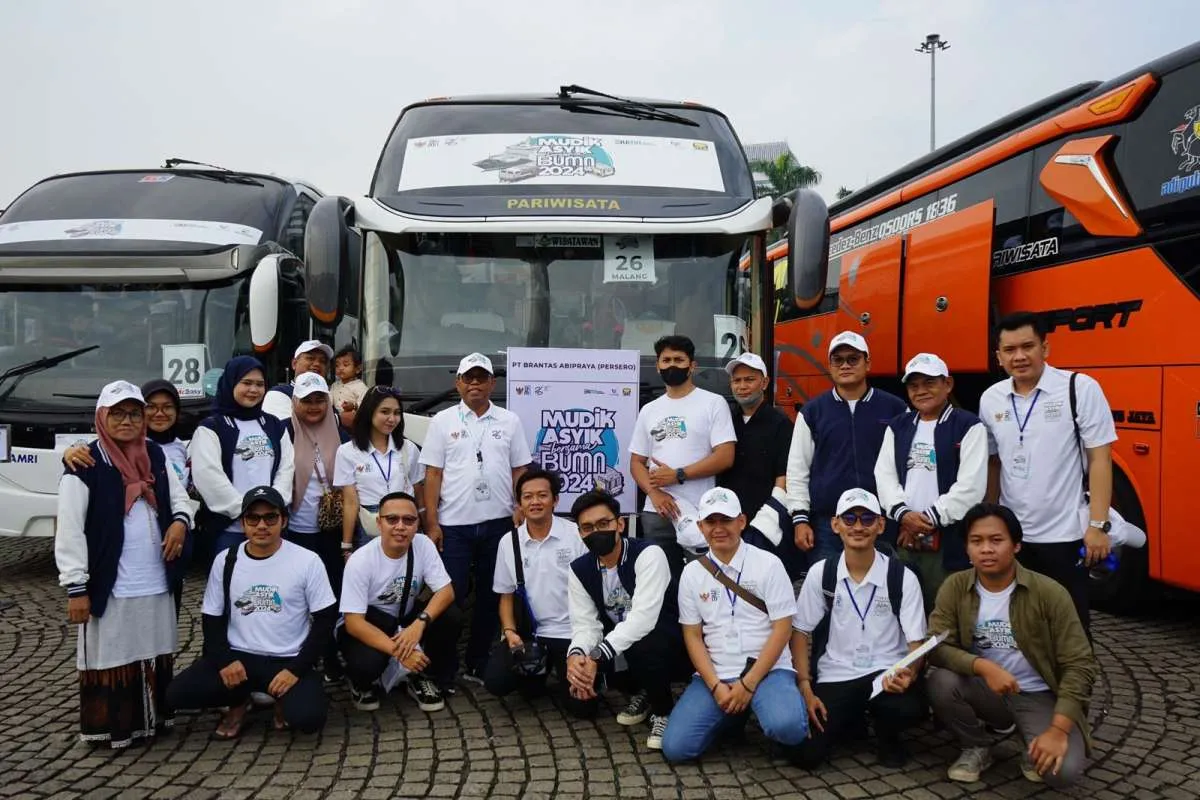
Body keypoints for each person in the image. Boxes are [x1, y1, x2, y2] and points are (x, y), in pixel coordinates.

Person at [55, 380, 193, 748]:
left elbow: (180, 499)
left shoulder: (153, 455)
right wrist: (76, 587)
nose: (127, 421)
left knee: (152, 645)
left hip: (155, 576)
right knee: (115, 650)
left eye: (134, 413)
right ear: (102, 417)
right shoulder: (86, 463)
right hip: (112, 581)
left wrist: (180, 523)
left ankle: (152, 721)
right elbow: (69, 529)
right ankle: (115, 728)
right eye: (117, 413)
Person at [926, 503, 1096, 788]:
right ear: (967, 548)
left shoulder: (1049, 593)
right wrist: (983, 667)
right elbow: (936, 646)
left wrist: (1058, 729)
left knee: (1061, 773)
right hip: (986, 688)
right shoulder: (955, 586)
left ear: (1016, 545)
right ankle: (976, 745)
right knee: (940, 682)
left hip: (1039, 694)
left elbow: (1080, 664)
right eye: (976, 541)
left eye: (996, 540)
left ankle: (1032, 739)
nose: (986, 549)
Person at [979, 311, 1117, 635]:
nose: (1019, 356)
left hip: (1064, 536)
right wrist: (990, 520)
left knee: (1070, 628)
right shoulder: (990, 399)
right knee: (1020, 625)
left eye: (1028, 346)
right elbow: (993, 463)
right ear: (999, 357)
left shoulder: (1079, 388)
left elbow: (1100, 459)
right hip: (1013, 537)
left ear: (1045, 348)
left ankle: (1073, 672)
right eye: (1010, 350)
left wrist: (1098, 526)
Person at [166, 486, 338, 738]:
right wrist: (225, 661)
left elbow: (325, 620)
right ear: (243, 523)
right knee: (176, 695)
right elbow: (211, 618)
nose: (262, 525)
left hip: (287, 658)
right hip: (239, 658)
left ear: (284, 521)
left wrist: (295, 670)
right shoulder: (226, 559)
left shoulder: (307, 561)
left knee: (308, 718)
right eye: (253, 518)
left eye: (270, 517)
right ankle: (239, 701)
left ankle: (280, 698)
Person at [661, 487, 808, 763]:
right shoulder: (692, 573)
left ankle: (763, 707)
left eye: (726, 520)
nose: (718, 528)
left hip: (768, 671)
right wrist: (715, 685)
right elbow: (692, 635)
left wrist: (748, 684)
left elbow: (783, 628)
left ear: (741, 521)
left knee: (788, 727)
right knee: (676, 748)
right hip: (718, 672)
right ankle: (732, 716)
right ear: (700, 527)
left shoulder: (769, 564)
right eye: (711, 521)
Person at [790, 488, 928, 768]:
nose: (858, 526)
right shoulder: (821, 573)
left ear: (881, 525)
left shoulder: (902, 576)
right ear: (835, 524)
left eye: (867, 519)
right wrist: (805, 686)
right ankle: (851, 722)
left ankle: (888, 735)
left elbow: (917, 642)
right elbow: (800, 631)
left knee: (907, 708)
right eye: (849, 518)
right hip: (837, 673)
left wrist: (909, 674)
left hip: (886, 672)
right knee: (806, 755)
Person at [420, 353, 532, 684]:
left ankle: (477, 661)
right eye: (468, 378)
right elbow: (432, 475)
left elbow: (520, 469)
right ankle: (443, 666)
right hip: (453, 526)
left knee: (491, 595)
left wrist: (520, 506)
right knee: (449, 597)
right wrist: (432, 523)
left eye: (481, 378)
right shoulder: (442, 421)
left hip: (499, 523)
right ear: (458, 383)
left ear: (492, 384)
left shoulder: (509, 420)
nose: (474, 384)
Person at [565, 490, 687, 750]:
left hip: (670, 640)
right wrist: (577, 656)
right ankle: (645, 691)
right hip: (621, 644)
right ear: (580, 533)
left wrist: (597, 655)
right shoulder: (579, 569)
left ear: (620, 524)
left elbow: (644, 618)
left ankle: (663, 710)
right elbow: (585, 624)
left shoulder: (649, 554)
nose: (596, 532)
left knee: (644, 641)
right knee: (581, 700)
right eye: (588, 527)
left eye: (603, 524)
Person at [874, 353, 988, 608]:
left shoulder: (968, 426)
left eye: (929, 383)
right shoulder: (898, 426)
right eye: (914, 386)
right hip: (904, 538)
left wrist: (926, 521)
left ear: (948, 384)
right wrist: (903, 515)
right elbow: (884, 476)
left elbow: (971, 487)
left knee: (947, 610)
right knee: (903, 608)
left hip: (950, 541)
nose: (921, 391)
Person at [786, 331, 906, 565]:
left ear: (867, 363)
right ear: (829, 366)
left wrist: (904, 515)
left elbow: (908, 467)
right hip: (829, 524)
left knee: (883, 585)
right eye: (838, 360)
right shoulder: (812, 412)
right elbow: (798, 470)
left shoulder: (896, 409)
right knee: (829, 585)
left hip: (881, 522)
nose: (845, 365)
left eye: (853, 359)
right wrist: (800, 519)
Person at [338, 492, 460, 712]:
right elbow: (354, 623)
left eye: (409, 520)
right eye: (392, 519)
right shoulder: (360, 560)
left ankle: (423, 675)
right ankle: (361, 682)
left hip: (406, 618)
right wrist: (401, 652)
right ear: (379, 523)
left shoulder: (423, 544)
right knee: (367, 663)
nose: (400, 527)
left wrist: (419, 624)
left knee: (450, 616)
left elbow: (446, 591)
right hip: (371, 623)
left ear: (417, 524)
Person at [630, 335, 736, 577]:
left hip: (702, 511)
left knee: (705, 581)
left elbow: (725, 456)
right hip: (657, 513)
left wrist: (679, 475)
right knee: (661, 583)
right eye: (666, 360)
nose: (672, 365)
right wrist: (654, 493)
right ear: (658, 366)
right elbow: (636, 463)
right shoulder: (649, 410)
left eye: (679, 360)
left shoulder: (713, 403)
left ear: (692, 366)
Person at [484, 468, 586, 702]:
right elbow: (506, 596)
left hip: (573, 633)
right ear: (519, 504)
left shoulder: (576, 535)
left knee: (582, 706)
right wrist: (510, 632)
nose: (535, 502)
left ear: (555, 500)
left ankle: (566, 671)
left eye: (542, 495)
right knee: (498, 682)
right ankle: (539, 674)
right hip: (530, 634)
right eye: (528, 496)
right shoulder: (509, 542)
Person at [190, 356, 294, 563]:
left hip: (271, 529)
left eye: (259, 384)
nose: (253, 390)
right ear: (231, 383)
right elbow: (208, 476)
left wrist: (272, 510)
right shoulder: (211, 427)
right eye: (246, 383)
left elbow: (287, 469)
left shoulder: (274, 425)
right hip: (229, 531)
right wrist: (248, 512)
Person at [283, 372, 351, 682]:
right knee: (298, 596)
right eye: (306, 400)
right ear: (294, 401)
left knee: (332, 594)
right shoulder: (283, 431)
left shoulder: (340, 432)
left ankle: (330, 653)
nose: (313, 406)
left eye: (319, 400)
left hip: (331, 530)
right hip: (296, 530)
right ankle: (300, 656)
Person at [717, 352, 797, 577]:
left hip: (764, 524)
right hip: (728, 520)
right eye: (737, 380)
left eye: (749, 380)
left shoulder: (781, 423)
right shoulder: (725, 420)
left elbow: (785, 474)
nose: (742, 386)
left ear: (765, 382)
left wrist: (768, 517)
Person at [334, 385, 424, 549]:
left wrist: (427, 525)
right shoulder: (347, 451)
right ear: (369, 413)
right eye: (385, 412)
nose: (392, 419)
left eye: (397, 413)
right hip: (370, 526)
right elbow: (350, 502)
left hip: (405, 523)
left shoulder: (409, 448)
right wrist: (346, 546)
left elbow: (418, 490)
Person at [263, 340, 334, 420]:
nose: (317, 364)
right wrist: (338, 419)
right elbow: (287, 426)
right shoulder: (278, 393)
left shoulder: (330, 395)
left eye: (323, 361)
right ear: (294, 364)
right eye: (310, 358)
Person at [331, 345, 368, 428]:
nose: (340, 368)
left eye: (345, 365)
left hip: (355, 423)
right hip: (338, 422)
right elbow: (329, 401)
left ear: (358, 369)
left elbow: (365, 404)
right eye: (337, 365)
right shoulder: (334, 385)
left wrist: (353, 406)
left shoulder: (360, 386)